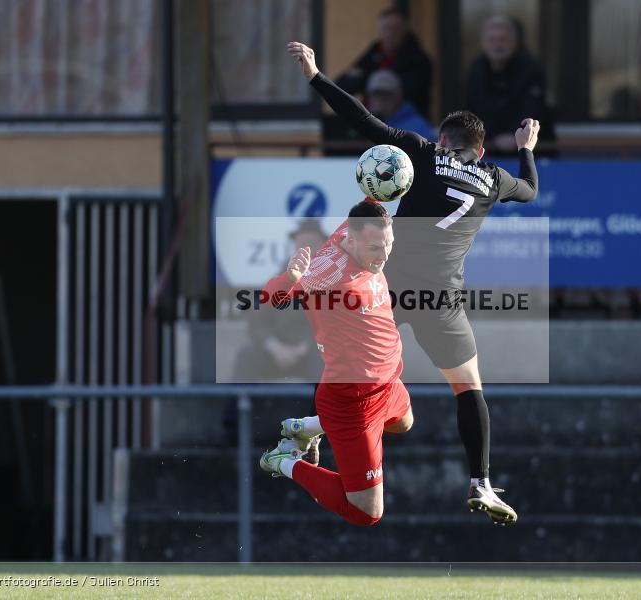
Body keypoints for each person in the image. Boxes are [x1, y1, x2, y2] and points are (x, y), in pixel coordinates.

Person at [288, 40, 541, 525]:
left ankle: (312, 426)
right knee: (468, 390)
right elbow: (530, 192)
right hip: (439, 298)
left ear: (441, 139)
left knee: (351, 362)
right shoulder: (493, 178)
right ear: (480, 149)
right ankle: (481, 482)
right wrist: (526, 150)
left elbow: (366, 124)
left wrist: (316, 76)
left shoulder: (421, 152)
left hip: (388, 286)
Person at [258, 201, 414, 527]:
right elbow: (269, 297)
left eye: (389, 245)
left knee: (404, 422)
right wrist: (290, 277)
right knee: (366, 512)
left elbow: (374, 192)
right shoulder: (324, 273)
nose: (384, 255)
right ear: (352, 241)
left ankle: (309, 427)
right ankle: (284, 461)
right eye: (375, 248)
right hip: (354, 402)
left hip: (386, 383)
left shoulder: (354, 227)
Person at [223, 220, 326, 454]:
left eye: (311, 244)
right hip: (277, 350)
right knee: (246, 357)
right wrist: (273, 346)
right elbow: (257, 319)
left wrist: (307, 346)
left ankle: (318, 436)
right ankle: (233, 429)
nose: (306, 249)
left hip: (314, 350)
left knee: (327, 367)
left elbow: (336, 322)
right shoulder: (279, 277)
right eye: (301, 244)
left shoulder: (332, 280)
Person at [466, 15, 556, 155]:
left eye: (503, 39)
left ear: (514, 42)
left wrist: (514, 135)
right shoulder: (476, 71)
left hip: (531, 152)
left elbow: (533, 109)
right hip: (489, 150)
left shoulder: (531, 70)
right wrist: (490, 137)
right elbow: (471, 110)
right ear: (483, 44)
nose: (498, 45)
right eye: (492, 40)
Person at [335, 7, 433, 117]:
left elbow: (406, 92)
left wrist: (364, 79)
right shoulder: (375, 51)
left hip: (405, 123)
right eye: (386, 29)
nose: (390, 34)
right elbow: (341, 86)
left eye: (395, 29)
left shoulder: (418, 59)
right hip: (369, 120)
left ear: (404, 30)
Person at [365, 69, 436, 141]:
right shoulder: (363, 124)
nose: (381, 101)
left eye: (387, 96)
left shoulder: (418, 125)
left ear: (399, 97)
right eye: (377, 95)